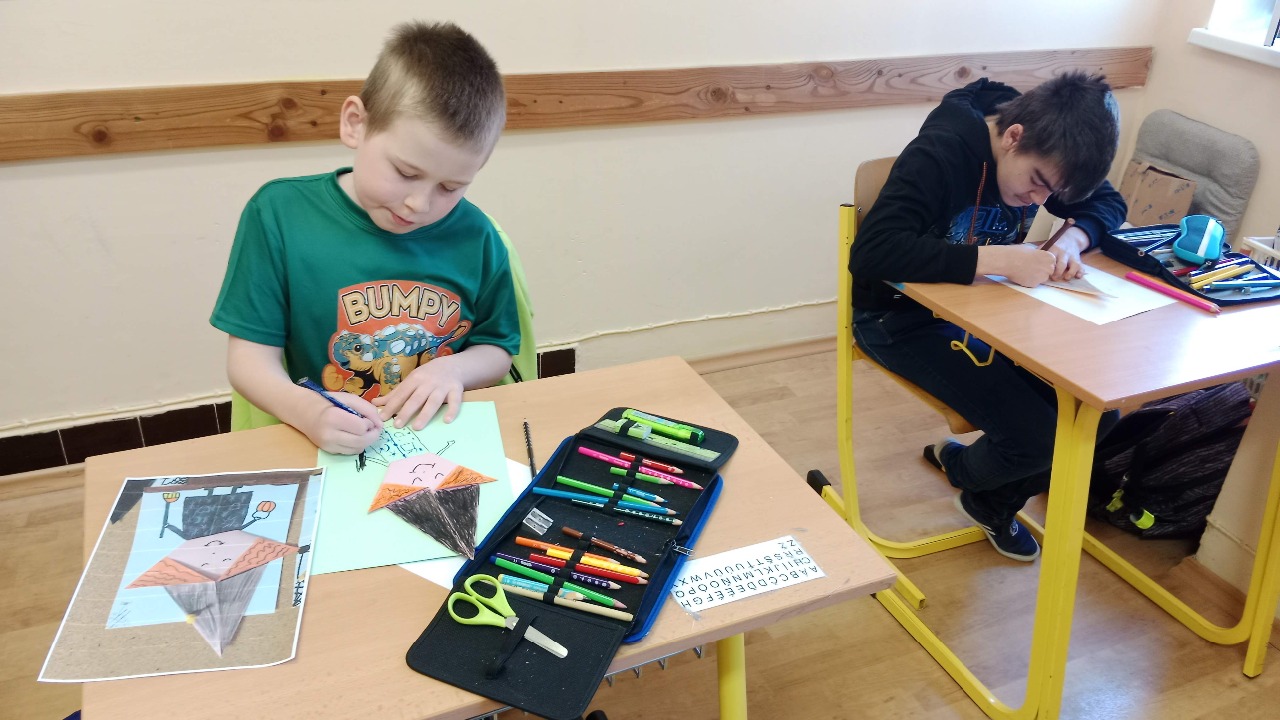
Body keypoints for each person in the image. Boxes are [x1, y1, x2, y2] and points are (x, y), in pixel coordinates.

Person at [848, 72, 1126, 562]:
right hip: (895, 320)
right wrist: (997, 258)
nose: (1040, 200)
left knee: (1096, 415)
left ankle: (988, 500)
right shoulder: (941, 152)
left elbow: (1108, 202)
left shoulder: (1047, 149)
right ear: (1013, 137)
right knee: (1038, 439)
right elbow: (872, 253)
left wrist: (1072, 238)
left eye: (1052, 192)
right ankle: (964, 471)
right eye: (1037, 183)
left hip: (985, 316)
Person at [210, 21, 520, 455]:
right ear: (356, 124)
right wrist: (308, 412)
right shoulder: (278, 215)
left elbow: (497, 347)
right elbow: (248, 361)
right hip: (321, 441)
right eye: (406, 173)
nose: (419, 204)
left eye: (451, 187)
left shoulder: (478, 236)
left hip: (441, 443)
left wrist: (453, 371)